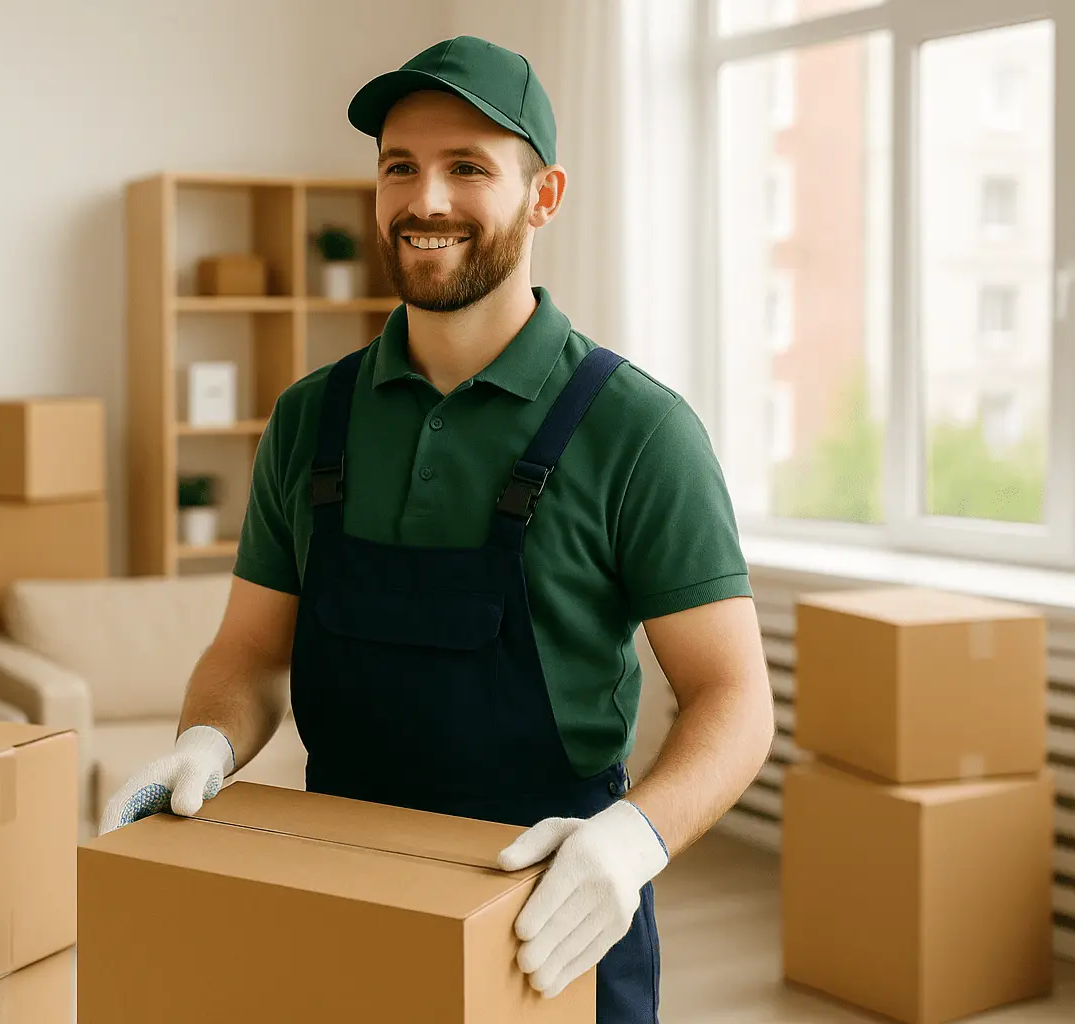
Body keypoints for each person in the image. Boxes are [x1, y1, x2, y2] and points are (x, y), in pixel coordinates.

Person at [100, 35, 775, 1021]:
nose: (426, 200)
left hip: (552, 924)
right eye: (399, 167)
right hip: (338, 909)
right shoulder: (310, 418)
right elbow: (247, 653)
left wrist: (635, 839)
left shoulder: (639, 430)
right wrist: (206, 741)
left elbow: (734, 697)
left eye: (468, 167)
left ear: (544, 196)